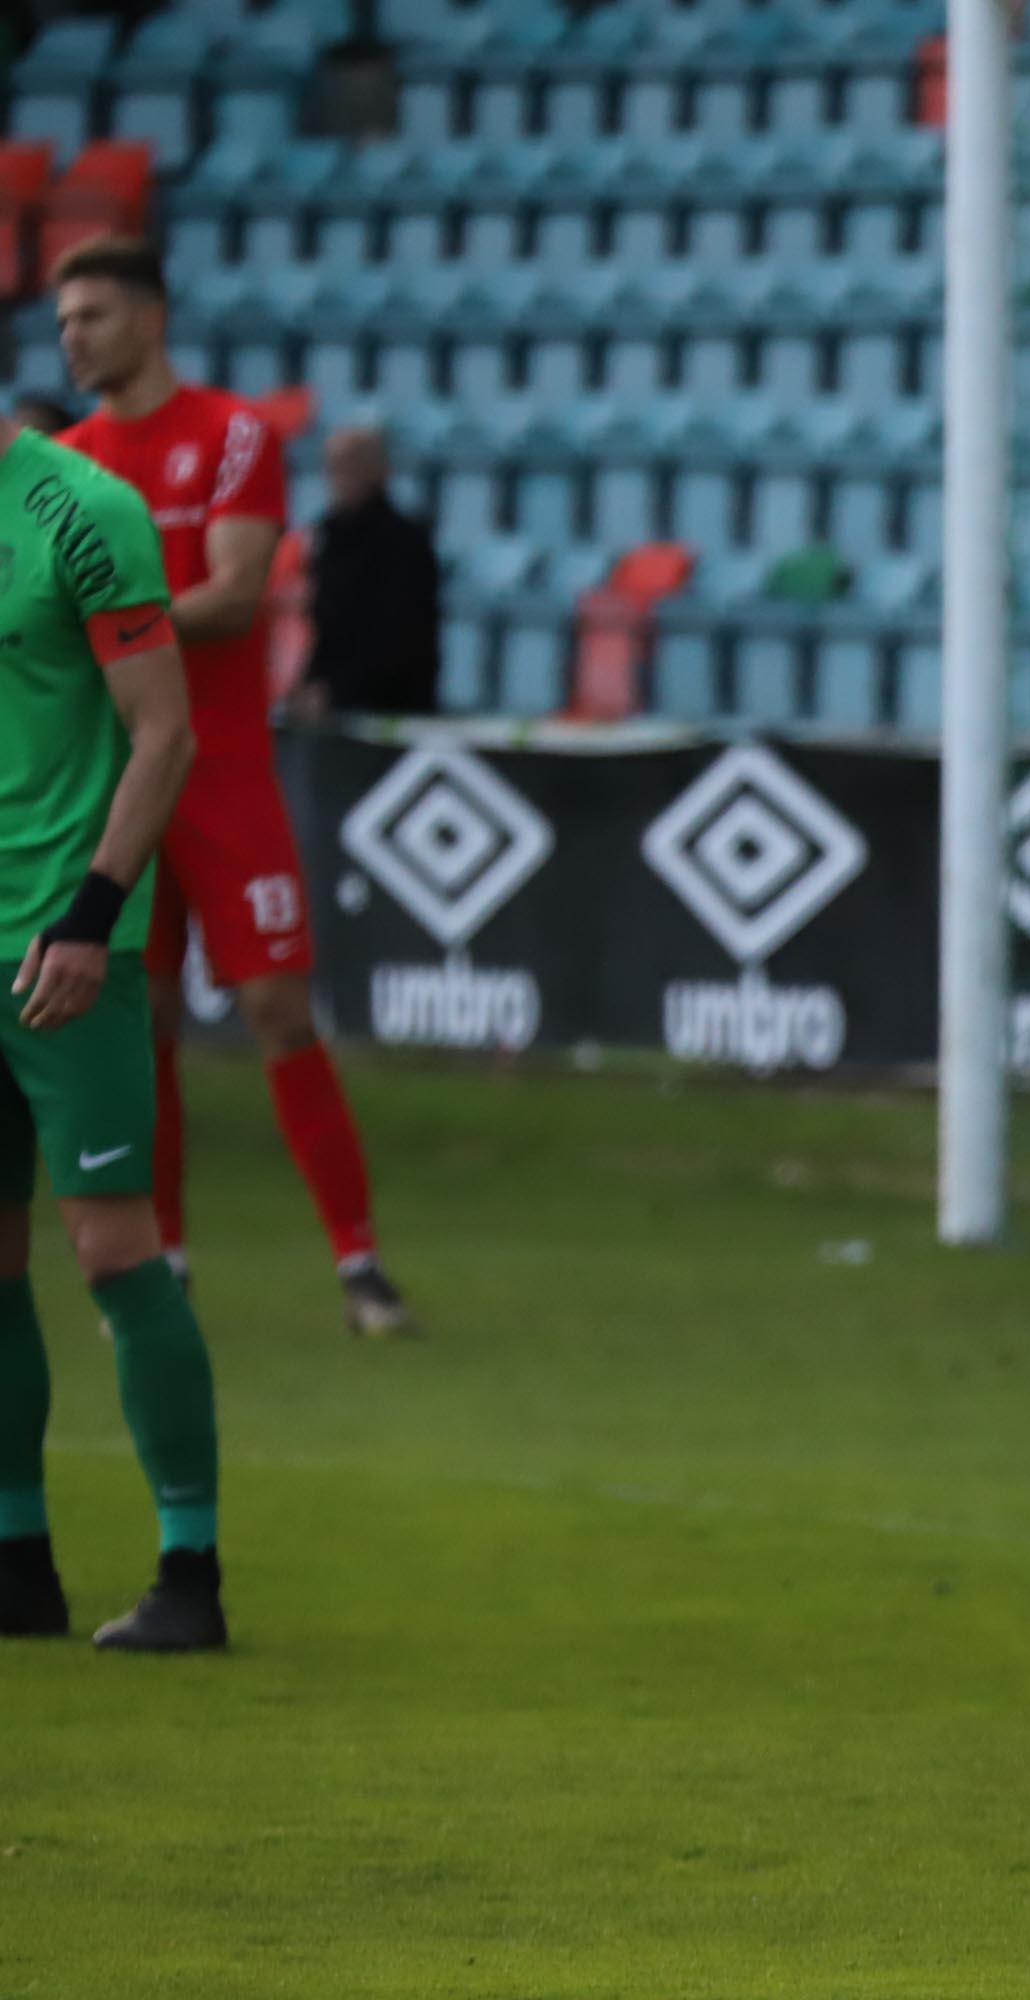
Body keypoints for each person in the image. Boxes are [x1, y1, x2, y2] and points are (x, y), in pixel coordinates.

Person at [52, 237, 413, 1339]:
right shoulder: (63, 460)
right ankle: (166, 1259)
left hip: (220, 767)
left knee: (274, 1006)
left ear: (151, 319)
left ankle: (359, 1263)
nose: (72, 336)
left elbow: (239, 591)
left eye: (94, 316)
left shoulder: (231, 434)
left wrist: (104, 618)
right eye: (63, 319)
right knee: (140, 1019)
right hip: (117, 776)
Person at [0, 401, 233, 1652]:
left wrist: (95, 914)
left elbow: (165, 729)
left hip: (61, 941)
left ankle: (188, 1570)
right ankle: (16, 1562)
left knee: (112, 1250)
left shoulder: (79, 511)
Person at [297, 424, 440, 719]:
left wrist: (337, 692)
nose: (341, 475)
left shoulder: (405, 541)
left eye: (354, 463)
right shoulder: (327, 534)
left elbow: (400, 636)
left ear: (380, 470)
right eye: (334, 465)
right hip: (331, 701)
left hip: (391, 706)